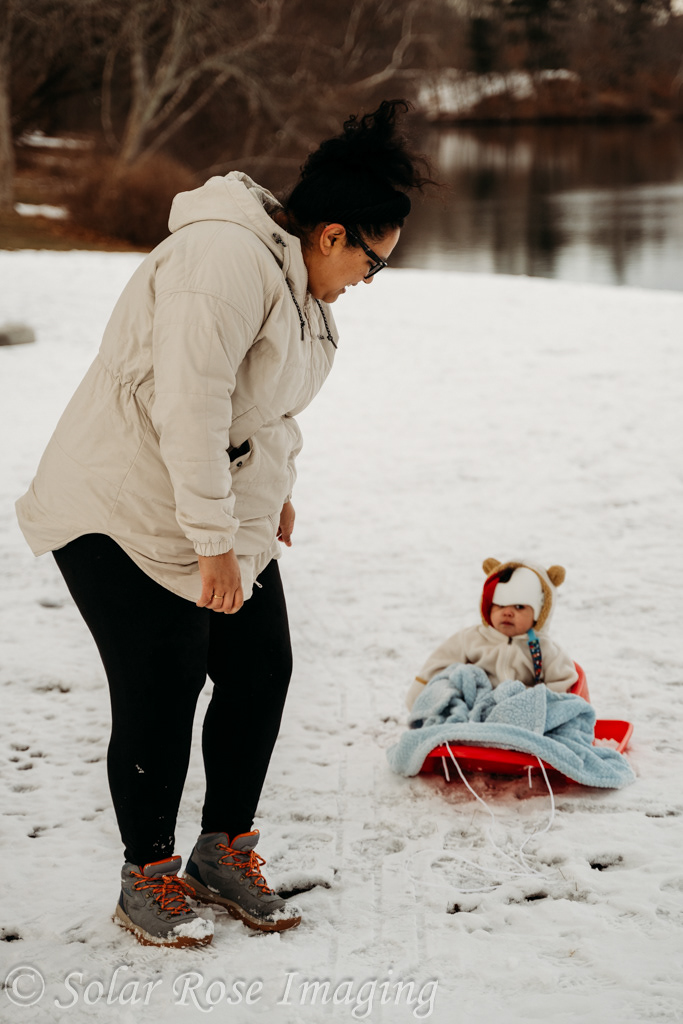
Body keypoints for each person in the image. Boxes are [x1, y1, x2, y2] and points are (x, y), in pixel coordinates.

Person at [16, 100, 433, 948]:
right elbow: (190, 406)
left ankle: (222, 849)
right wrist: (214, 544)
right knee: (163, 683)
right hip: (119, 503)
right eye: (372, 262)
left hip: (204, 496)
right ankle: (148, 874)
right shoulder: (222, 261)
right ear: (329, 235)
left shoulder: (297, 282)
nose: (368, 279)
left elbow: (265, 404)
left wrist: (273, 491)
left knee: (258, 668)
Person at [406, 557, 578, 710]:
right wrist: (423, 694)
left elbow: (563, 683)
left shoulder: (545, 649)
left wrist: (541, 705)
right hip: (474, 708)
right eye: (500, 606)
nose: (508, 613)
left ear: (539, 614)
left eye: (519, 607)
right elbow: (440, 664)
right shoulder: (471, 638)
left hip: (521, 710)